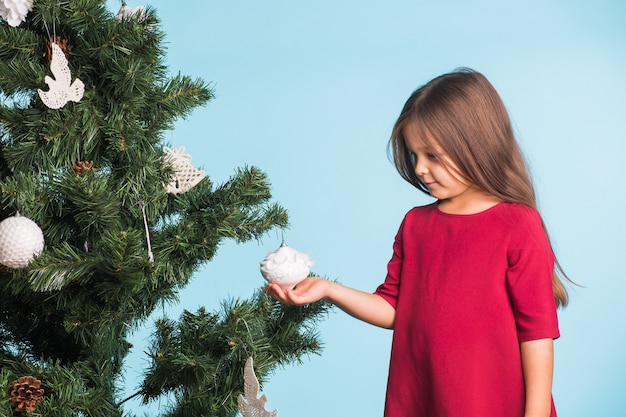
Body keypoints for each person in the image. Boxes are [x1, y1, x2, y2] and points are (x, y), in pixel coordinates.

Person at [266, 68, 568, 417]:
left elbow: (537, 337)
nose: (421, 169)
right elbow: (394, 309)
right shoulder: (415, 224)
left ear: (475, 143)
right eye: (414, 156)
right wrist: (327, 289)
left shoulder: (518, 224)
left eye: (432, 156)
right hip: (423, 401)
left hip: (496, 405)